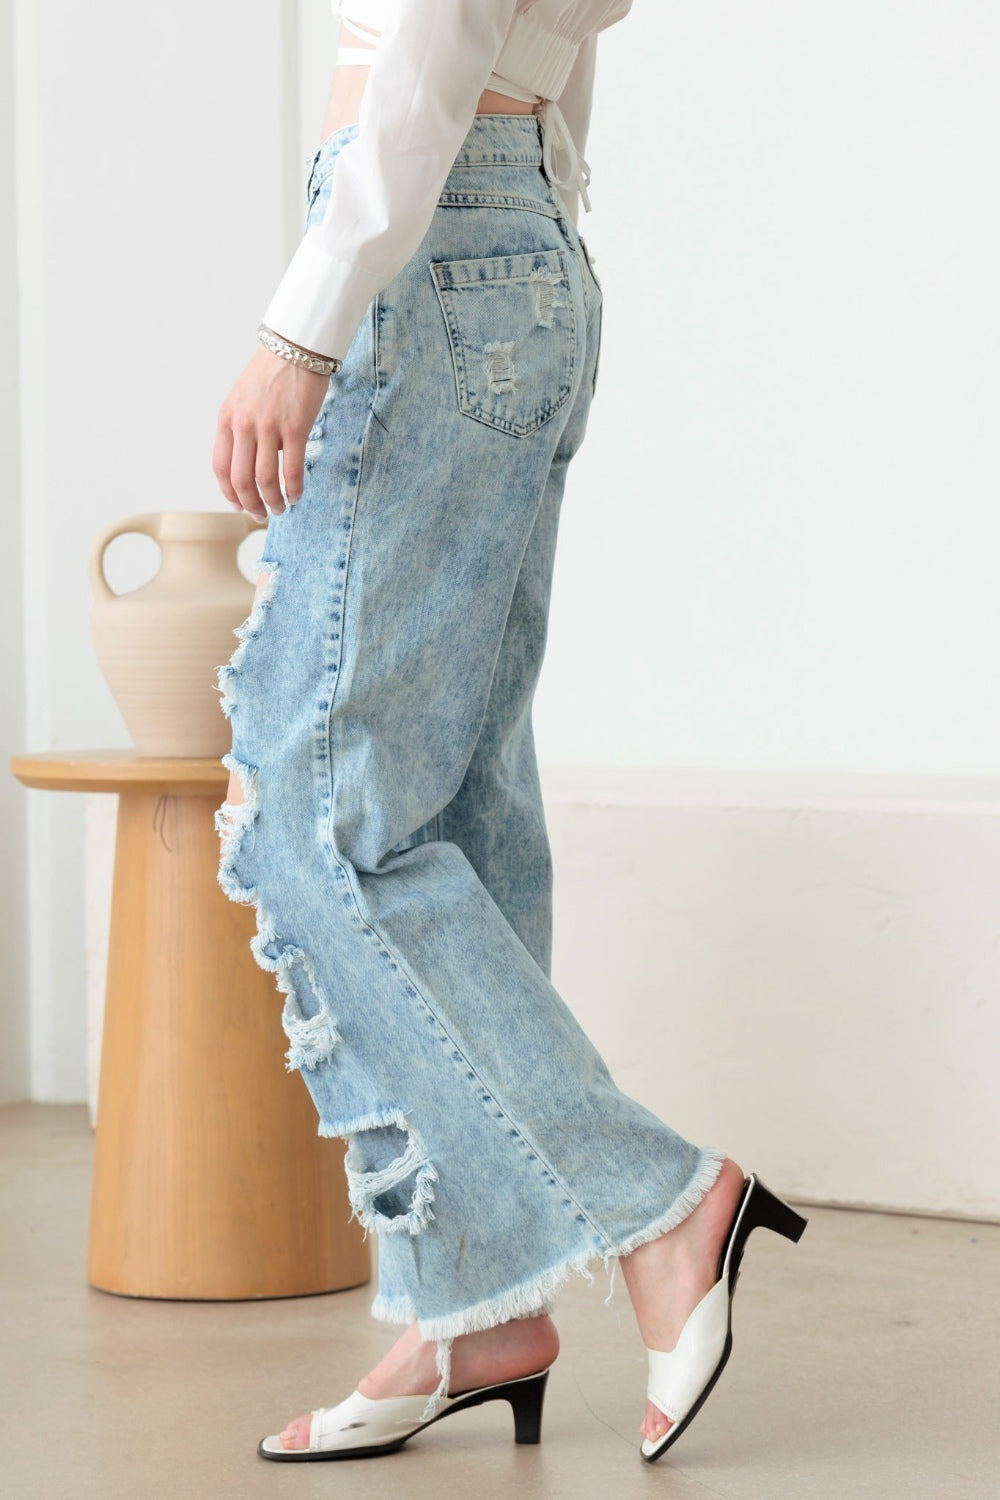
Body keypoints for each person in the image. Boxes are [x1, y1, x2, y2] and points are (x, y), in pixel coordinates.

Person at [211, 0, 807, 1466]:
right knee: (460, 811)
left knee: (323, 820)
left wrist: (305, 320)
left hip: (423, 238)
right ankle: (474, 1302)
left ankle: (666, 1209)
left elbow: (427, 32)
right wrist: (522, 224)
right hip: (518, 227)